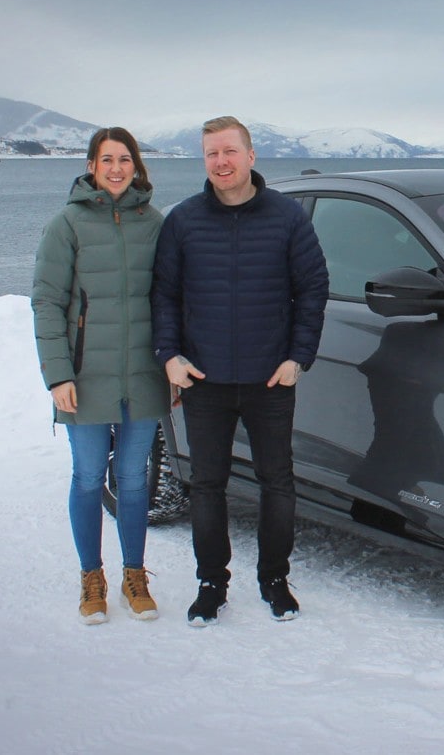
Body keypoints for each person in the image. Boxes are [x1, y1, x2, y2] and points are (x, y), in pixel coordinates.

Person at [152, 116, 329, 626]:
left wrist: (299, 358)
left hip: (269, 379)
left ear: (251, 156)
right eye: (211, 153)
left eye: (230, 151)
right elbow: (164, 293)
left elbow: (312, 289)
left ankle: (274, 579)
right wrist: (170, 356)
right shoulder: (183, 221)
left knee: (277, 483)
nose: (221, 162)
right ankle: (212, 584)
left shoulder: (287, 218)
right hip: (203, 380)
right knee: (207, 485)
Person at [33, 127, 168, 624]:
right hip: (84, 378)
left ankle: (135, 576)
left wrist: (171, 365)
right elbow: (47, 302)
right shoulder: (66, 224)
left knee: (133, 480)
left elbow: (170, 302)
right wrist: (57, 376)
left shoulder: (154, 223)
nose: (116, 168)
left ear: (136, 166)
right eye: (107, 159)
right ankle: (92, 577)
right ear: (92, 165)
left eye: (125, 159)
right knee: (89, 477)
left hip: (143, 375)